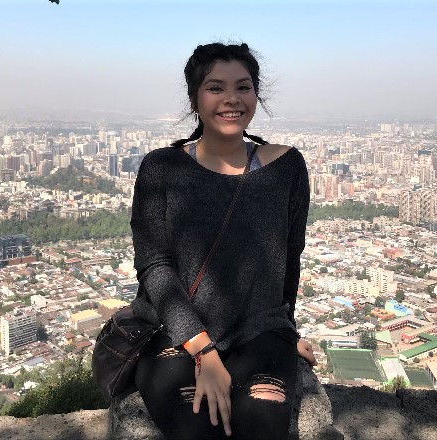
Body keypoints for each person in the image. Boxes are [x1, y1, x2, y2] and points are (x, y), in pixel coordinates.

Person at [129, 42, 315, 440]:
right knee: (199, 428)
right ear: (195, 98)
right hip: (176, 334)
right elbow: (154, 266)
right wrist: (204, 351)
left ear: (256, 94)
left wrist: (287, 333)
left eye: (243, 87)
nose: (231, 99)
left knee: (263, 427)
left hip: (259, 331)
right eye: (216, 88)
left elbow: (289, 260)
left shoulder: (287, 167)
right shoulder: (161, 168)